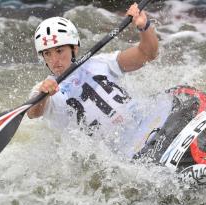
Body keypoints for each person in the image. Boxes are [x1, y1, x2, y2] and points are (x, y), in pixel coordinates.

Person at [27, 3, 159, 138]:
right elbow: (32, 113)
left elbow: (147, 54)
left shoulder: (102, 63)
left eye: (59, 51)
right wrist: (44, 95)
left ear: (74, 48)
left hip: (143, 123)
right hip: (116, 150)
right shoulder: (45, 89)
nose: (54, 60)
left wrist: (144, 26)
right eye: (47, 54)